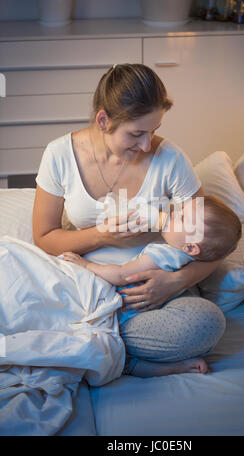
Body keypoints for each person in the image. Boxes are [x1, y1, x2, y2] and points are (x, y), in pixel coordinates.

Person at [32, 63, 227, 378]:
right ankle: (98, 343)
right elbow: (43, 237)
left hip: (154, 296)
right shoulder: (59, 155)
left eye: (154, 130)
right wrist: (103, 236)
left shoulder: (172, 160)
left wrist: (173, 283)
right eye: (137, 133)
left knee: (205, 323)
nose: (147, 144)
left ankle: (81, 342)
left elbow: (209, 245)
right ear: (103, 120)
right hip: (89, 288)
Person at [60, 195, 242, 376]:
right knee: (121, 358)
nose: (172, 214)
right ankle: (169, 367)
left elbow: (122, 275)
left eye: (182, 217)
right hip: (144, 313)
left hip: (124, 311)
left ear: (191, 247)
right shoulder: (184, 257)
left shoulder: (164, 254)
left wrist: (86, 265)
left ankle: (131, 358)